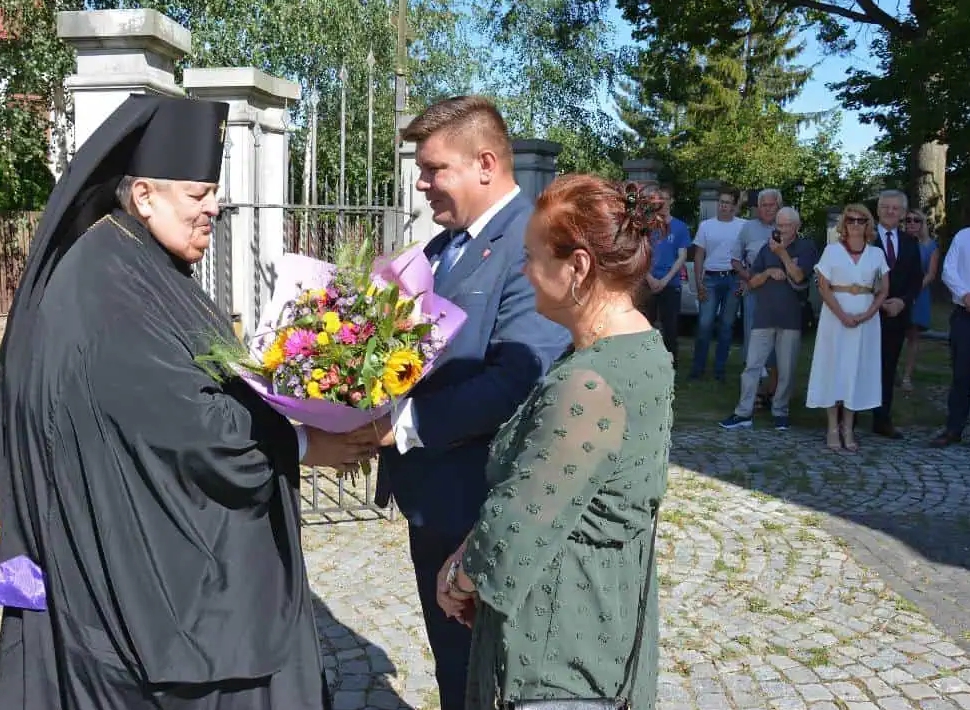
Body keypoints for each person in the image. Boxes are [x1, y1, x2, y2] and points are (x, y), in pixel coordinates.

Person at [0, 96, 372, 709]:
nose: (214, 208)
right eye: (198, 194)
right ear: (144, 196)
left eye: (214, 193)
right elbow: (189, 428)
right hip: (148, 601)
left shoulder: (132, 260)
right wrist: (308, 442)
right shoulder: (106, 287)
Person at [346, 96, 568, 710]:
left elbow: (516, 379)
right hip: (435, 497)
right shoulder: (445, 248)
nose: (420, 183)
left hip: (481, 501)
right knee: (455, 667)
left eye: (433, 168)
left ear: (486, 164)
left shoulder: (531, 244)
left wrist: (405, 424)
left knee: (489, 674)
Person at [435, 175, 673, 710]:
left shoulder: (588, 384)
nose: (524, 272)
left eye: (532, 257)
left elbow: (516, 526)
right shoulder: (640, 346)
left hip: (558, 656)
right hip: (602, 619)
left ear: (579, 268)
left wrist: (457, 576)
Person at [720, 207, 817, 432]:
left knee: (786, 368)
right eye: (778, 225)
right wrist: (767, 274)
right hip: (764, 316)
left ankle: (780, 412)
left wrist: (782, 254)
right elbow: (752, 282)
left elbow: (800, 275)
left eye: (786, 226)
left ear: (797, 227)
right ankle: (743, 412)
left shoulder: (806, 247)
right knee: (752, 366)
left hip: (791, 317)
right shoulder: (766, 248)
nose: (781, 230)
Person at [806, 205, 889, 452]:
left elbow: (884, 289)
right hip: (835, 317)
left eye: (860, 220)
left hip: (866, 320)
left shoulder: (876, 254)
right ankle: (832, 426)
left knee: (855, 368)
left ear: (867, 224)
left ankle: (849, 427)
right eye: (851, 220)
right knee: (833, 367)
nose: (855, 224)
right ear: (844, 224)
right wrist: (842, 315)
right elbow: (823, 287)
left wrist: (867, 314)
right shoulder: (831, 251)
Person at [871, 189, 924, 438]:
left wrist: (902, 302)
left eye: (896, 208)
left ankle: (882, 419)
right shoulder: (866, 237)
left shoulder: (910, 242)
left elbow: (916, 279)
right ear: (878, 209)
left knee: (888, 367)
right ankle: (846, 418)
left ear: (903, 213)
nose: (890, 212)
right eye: (886, 207)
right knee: (859, 364)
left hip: (896, 314)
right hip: (866, 312)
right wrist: (878, 302)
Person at [690, 186, 746, 381]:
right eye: (721, 202)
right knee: (705, 324)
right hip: (710, 279)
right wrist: (699, 284)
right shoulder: (706, 226)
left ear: (734, 206)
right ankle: (698, 368)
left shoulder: (743, 226)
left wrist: (744, 280)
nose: (723, 206)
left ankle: (720, 370)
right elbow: (699, 255)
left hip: (733, 279)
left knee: (726, 325)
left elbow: (748, 254)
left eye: (727, 203)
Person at [640, 183, 691, 369]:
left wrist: (665, 280)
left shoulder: (680, 227)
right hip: (647, 282)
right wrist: (650, 278)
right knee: (644, 326)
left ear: (671, 201)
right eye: (657, 200)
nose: (661, 203)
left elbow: (682, 256)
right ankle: (644, 365)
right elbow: (640, 253)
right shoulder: (646, 225)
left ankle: (671, 367)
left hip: (670, 283)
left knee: (670, 328)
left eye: (665, 199)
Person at [929, 225, 970, 447]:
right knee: (962, 374)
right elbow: (948, 271)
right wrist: (965, 295)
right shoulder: (963, 237)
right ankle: (954, 428)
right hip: (966, 315)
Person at [733, 188, 782, 366]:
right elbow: (735, 260)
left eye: (772, 205)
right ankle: (753, 376)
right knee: (753, 332)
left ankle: (773, 378)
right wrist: (749, 278)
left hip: (780, 291)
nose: (768, 209)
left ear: (779, 206)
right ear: (758, 207)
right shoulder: (747, 228)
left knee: (777, 335)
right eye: (764, 205)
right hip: (754, 290)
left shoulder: (785, 226)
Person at [900, 208, 939, 391]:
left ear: (923, 223)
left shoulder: (930, 246)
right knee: (894, 334)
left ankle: (907, 376)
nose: (912, 224)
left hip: (919, 294)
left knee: (913, 337)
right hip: (897, 293)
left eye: (916, 220)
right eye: (908, 220)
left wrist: (913, 291)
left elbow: (931, 274)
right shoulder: (899, 242)